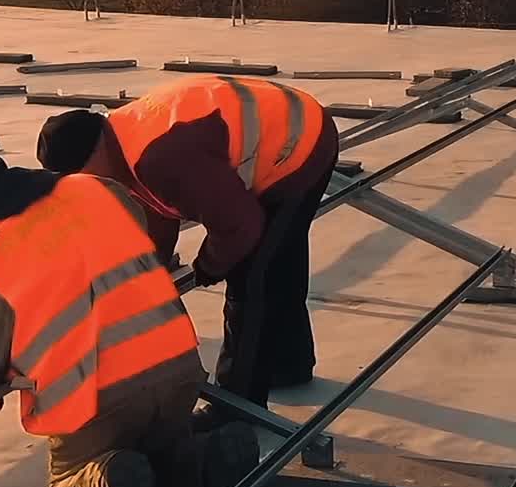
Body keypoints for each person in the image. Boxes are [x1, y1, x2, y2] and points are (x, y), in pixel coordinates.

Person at [0, 135, 273, 487]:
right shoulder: (96, 190)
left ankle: (109, 479)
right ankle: (212, 460)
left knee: (67, 482)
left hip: (92, 400)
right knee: (164, 447)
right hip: (177, 368)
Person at [36, 74, 339, 411]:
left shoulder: (159, 156)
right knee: (280, 256)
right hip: (297, 119)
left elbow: (240, 226)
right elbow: (159, 207)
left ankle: (239, 406)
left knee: (251, 277)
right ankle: (289, 366)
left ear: (91, 157)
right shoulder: (125, 134)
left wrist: (209, 264)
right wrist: (152, 271)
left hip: (298, 145)